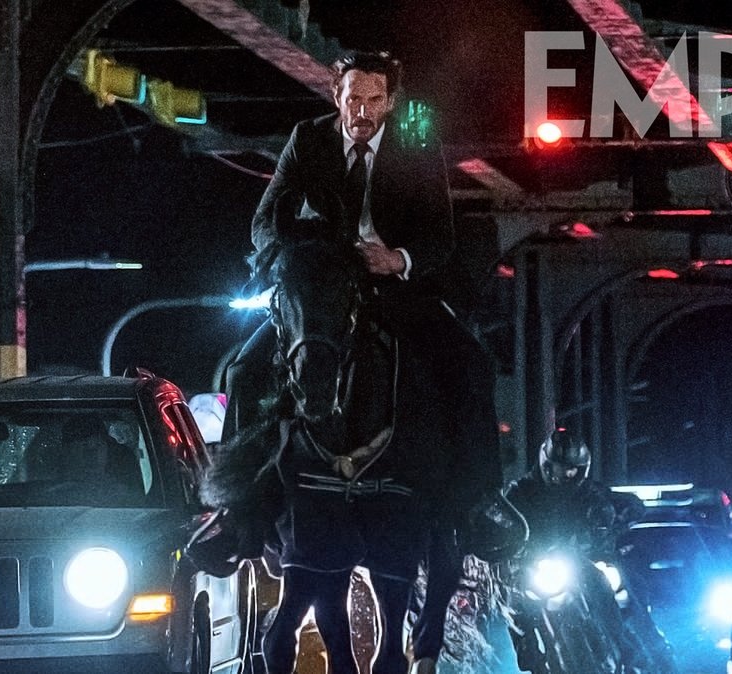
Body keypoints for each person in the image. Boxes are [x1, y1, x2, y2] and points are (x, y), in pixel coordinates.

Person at [220, 49, 502, 674]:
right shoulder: (307, 138)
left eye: (374, 101)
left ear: (390, 103)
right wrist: (292, 256)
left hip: (394, 286)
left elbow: (439, 236)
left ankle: (479, 501)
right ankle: (241, 512)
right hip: (325, 282)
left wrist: (397, 258)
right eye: (353, 99)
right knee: (242, 370)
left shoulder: (416, 146)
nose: (362, 112)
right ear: (337, 96)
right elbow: (265, 221)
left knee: (468, 363)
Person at [504, 429, 677, 674]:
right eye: (561, 468)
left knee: (623, 587)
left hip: (581, 562)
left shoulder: (590, 492)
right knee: (515, 603)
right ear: (547, 465)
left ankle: (650, 653)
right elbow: (502, 521)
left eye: (573, 469)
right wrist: (505, 541)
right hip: (535, 566)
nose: (567, 474)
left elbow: (627, 506)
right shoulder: (521, 492)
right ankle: (531, 660)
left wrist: (610, 525)